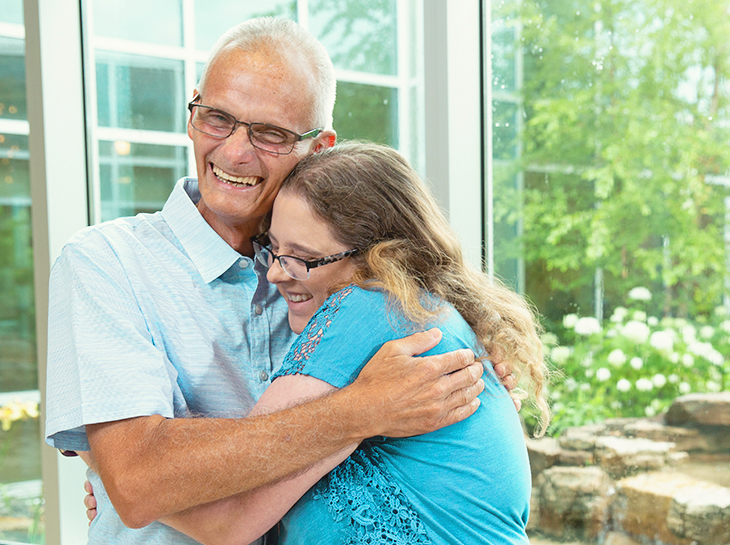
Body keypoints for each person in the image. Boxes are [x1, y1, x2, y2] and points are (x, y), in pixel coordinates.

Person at [45, 17, 513, 544]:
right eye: (217, 118)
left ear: (320, 147)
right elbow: (136, 484)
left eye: (270, 134)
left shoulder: (341, 276)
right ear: (193, 112)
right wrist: (359, 411)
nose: (236, 152)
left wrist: (477, 370)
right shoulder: (104, 264)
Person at [153, 141, 550, 545]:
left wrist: (114, 466)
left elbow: (225, 518)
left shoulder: (368, 304)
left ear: (379, 256)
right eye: (274, 248)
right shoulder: (429, 314)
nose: (274, 274)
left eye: (302, 258)